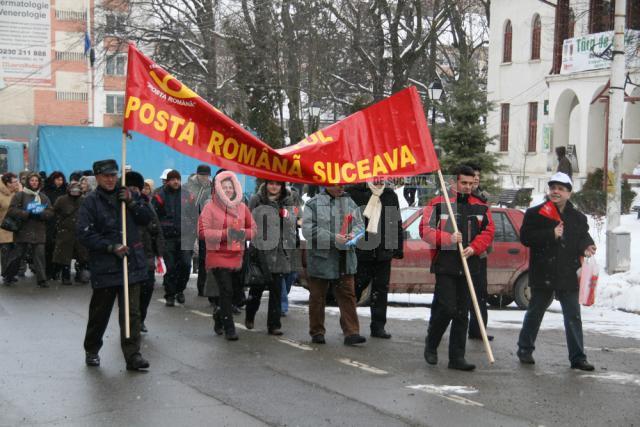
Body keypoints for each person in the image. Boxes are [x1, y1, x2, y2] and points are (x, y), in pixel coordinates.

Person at [517, 172, 597, 371]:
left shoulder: (577, 217)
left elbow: (582, 237)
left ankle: (578, 358)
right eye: (553, 188)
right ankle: (525, 349)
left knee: (573, 316)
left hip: (567, 273)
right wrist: (550, 234)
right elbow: (526, 238)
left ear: (569, 193)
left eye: (561, 189)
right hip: (543, 271)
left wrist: (587, 246)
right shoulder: (535, 213)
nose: (556, 192)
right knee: (535, 312)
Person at [77, 159, 152, 371]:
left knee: (132, 314)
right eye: (106, 176)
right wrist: (110, 246)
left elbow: (147, 219)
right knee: (100, 313)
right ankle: (92, 349)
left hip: (131, 264)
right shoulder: (91, 202)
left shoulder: (129, 195)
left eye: (113, 175)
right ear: (97, 177)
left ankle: (132, 355)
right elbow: (84, 234)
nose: (110, 179)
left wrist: (132, 202)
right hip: (105, 265)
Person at [420, 165, 495, 371]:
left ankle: (457, 357)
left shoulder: (481, 206)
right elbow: (424, 230)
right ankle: (432, 343)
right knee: (446, 308)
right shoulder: (438, 203)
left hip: (470, 263)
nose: (468, 187)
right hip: (446, 263)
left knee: (463, 313)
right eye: (464, 183)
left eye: (471, 183)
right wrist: (448, 239)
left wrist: (474, 247)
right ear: (455, 182)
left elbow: (488, 231)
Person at [302, 184, 366, 346]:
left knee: (348, 296)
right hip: (321, 258)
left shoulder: (350, 202)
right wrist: (333, 238)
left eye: (342, 185)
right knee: (317, 297)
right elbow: (308, 230)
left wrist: (354, 234)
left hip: (344, 258)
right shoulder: (313, 203)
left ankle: (352, 332)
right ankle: (317, 331)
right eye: (336, 184)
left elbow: (360, 225)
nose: (340, 187)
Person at [199, 171, 256, 340]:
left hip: (237, 256)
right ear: (218, 189)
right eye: (224, 187)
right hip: (218, 256)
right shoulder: (210, 207)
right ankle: (229, 328)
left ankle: (219, 315)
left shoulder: (242, 207)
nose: (228, 190)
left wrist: (240, 234)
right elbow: (202, 232)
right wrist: (226, 234)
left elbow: (254, 230)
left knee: (235, 295)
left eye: (231, 187)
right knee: (226, 291)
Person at [348, 180, 403, 339]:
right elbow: (348, 220)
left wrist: (397, 248)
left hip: (383, 251)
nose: (379, 177)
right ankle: (350, 326)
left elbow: (395, 222)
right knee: (356, 289)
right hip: (361, 250)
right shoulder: (356, 193)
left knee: (380, 290)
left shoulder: (390, 195)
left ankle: (378, 326)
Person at [245, 181, 297, 335]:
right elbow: (248, 220)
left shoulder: (287, 201)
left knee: (276, 290)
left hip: (279, 251)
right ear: (266, 184)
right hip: (261, 250)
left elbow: (292, 222)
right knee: (257, 288)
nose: (274, 187)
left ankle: (274, 325)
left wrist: (286, 216)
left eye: (277, 185)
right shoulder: (257, 199)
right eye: (271, 184)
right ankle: (250, 314)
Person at [126, 171, 164, 334]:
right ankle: (130, 322)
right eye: (129, 187)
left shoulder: (145, 203)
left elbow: (155, 226)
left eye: (136, 187)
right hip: (127, 254)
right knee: (130, 294)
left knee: (147, 288)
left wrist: (159, 252)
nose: (133, 190)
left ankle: (140, 319)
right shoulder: (119, 204)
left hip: (146, 252)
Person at [152, 170, 197, 307]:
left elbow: (194, 215)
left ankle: (180, 290)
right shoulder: (159, 196)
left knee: (185, 265)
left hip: (185, 237)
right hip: (167, 237)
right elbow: (154, 217)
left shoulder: (187, 195)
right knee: (170, 267)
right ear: (168, 180)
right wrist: (158, 233)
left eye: (177, 179)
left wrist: (192, 230)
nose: (176, 182)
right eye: (173, 179)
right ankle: (170, 294)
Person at [2, 173, 54, 287]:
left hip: (39, 231)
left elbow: (50, 212)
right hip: (23, 230)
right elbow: (11, 210)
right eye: (32, 180)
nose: (34, 183)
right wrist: (26, 213)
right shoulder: (20, 195)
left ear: (39, 183)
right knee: (17, 256)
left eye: (36, 181)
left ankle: (42, 280)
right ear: (28, 182)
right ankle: (9, 276)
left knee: (39, 256)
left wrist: (41, 214)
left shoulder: (43, 197)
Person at [466, 164, 493, 342]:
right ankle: (435, 330)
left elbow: (488, 229)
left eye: (478, 176)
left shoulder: (482, 200)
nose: (476, 179)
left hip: (478, 254)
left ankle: (478, 329)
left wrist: (478, 247)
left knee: (480, 294)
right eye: (473, 176)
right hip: (458, 254)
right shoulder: (457, 198)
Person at [184, 164, 212, 297]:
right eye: (202, 176)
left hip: (205, 224)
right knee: (185, 256)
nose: (205, 178)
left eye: (207, 176)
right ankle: (179, 283)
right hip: (189, 224)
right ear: (197, 175)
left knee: (204, 257)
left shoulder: (212, 187)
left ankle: (202, 287)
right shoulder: (188, 186)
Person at [52, 182, 88, 285]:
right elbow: (54, 212)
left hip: (80, 232)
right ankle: (65, 277)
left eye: (77, 190)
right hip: (65, 232)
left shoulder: (84, 200)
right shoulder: (62, 200)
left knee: (82, 256)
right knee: (64, 257)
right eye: (73, 190)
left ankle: (81, 276)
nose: (75, 192)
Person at [43, 171, 68, 280]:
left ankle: (57, 270)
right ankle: (49, 271)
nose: (60, 182)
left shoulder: (65, 191)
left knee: (60, 248)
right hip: (49, 223)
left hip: (62, 223)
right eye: (57, 179)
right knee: (49, 247)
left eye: (61, 179)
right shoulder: (46, 192)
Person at [0, 173, 20, 278]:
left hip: (17, 228)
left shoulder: (18, 193)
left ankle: (12, 273)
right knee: (6, 253)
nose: (17, 183)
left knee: (16, 253)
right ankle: (6, 274)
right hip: (3, 229)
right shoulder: (1, 195)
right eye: (15, 182)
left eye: (17, 181)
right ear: (8, 183)